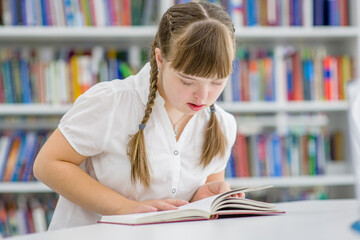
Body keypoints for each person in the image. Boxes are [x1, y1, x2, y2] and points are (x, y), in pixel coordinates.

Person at [33, 1, 243, 230]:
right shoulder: (111, 103)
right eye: (187, 80)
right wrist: (125, 208)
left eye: (216, 82)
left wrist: (202, 198)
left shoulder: (223, 124)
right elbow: (47, 165)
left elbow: (200, 204)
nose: (203, 96)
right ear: (160, 59)